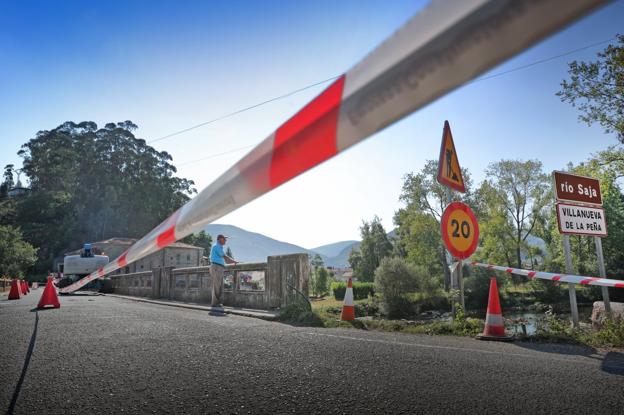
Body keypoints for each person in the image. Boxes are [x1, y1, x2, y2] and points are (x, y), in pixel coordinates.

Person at [209, 234, 237, 307]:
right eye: (224, 239)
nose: (225, 240)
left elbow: (225, 259)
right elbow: (225, 257)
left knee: (219, 285)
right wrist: (234, 261)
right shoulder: (217, 246)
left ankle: (217, 303)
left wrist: (232, 262)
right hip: (216, 267)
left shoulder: (219, 247)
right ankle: (214, 303)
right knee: (216, 286)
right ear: (219, 239)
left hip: (218, 267)